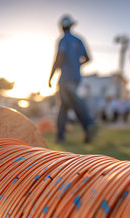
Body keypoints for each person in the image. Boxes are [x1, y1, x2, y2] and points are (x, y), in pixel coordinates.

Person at [48, 14, 97, 143]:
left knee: (74, 104)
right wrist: (77, 64)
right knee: (64, 107)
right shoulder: (79, 40)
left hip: (65, 79)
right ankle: (60, 136)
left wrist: (51, 76)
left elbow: (59, 58)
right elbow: (88, 58)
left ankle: (88, 125)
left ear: (61, 27)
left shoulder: (63, 40)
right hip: (76, 78)